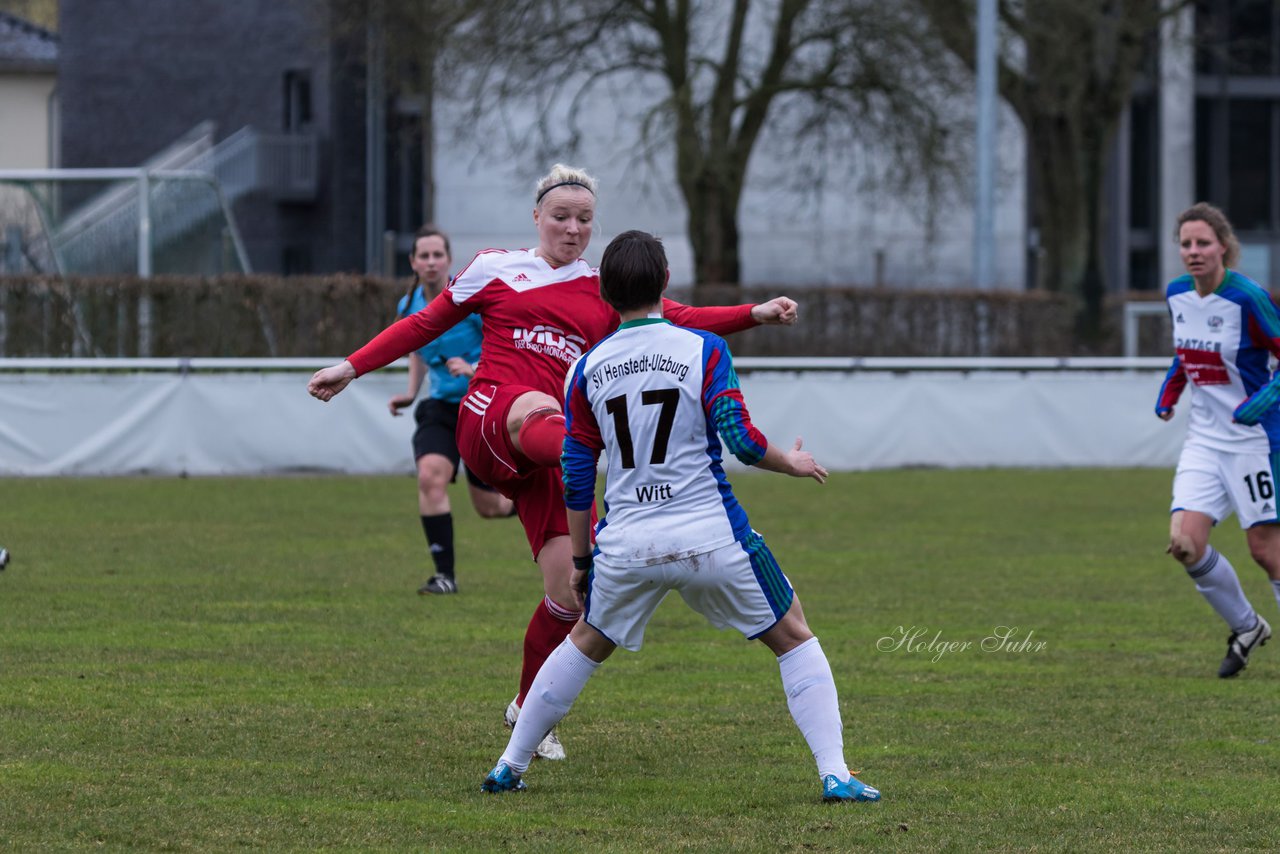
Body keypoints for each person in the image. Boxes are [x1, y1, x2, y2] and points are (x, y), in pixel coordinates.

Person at [308, 164, 799, 760]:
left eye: (584, 220)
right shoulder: (494, 267)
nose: (572, 229)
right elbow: (423, 323)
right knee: (552, 418)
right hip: (492, 420)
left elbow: (680, 317)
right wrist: (350, 367)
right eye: (561, 217)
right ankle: (565, 469)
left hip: (551, 457)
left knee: (573, 595)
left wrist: (757, 313)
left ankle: (525, 710)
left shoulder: (602, 289)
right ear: (536, 217)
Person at [479, 230, 879, 803]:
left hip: (627, 543)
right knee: (792, 634)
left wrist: (583, 560)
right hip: (711, 536)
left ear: (603, 293)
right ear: (666, 282)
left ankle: (509, 766)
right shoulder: (703, 349)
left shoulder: (586, 368)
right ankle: (835, 773)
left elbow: (575, 473)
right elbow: (740, 441)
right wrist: (789, 463)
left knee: (586, 642)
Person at [1156, 201, 1280, 678]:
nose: (1193, 251)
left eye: (1202, 243)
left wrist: (1261, 403)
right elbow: (1185, 357)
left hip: (1254, 443)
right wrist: (1169, 395)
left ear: (1223, 247)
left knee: (1266, 552)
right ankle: (1248, 627)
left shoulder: (1248, 299)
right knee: (1185, 544)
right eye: (1186, 244)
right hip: (1204, 442)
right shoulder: (1177, 295)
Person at [386, 225, 514, 596]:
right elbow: (415, 349)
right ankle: (445, 576)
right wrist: (411, 393)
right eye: (423, 256)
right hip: (440, 408)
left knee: (490, 508)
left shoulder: (469, 299)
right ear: (413, 263)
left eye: (436, 255)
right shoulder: (407, 306)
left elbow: (503, 345)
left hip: (480, 409)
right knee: (429, 476)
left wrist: (474, 371)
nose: (430, 262)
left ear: (448, 260)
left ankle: (537, 505)